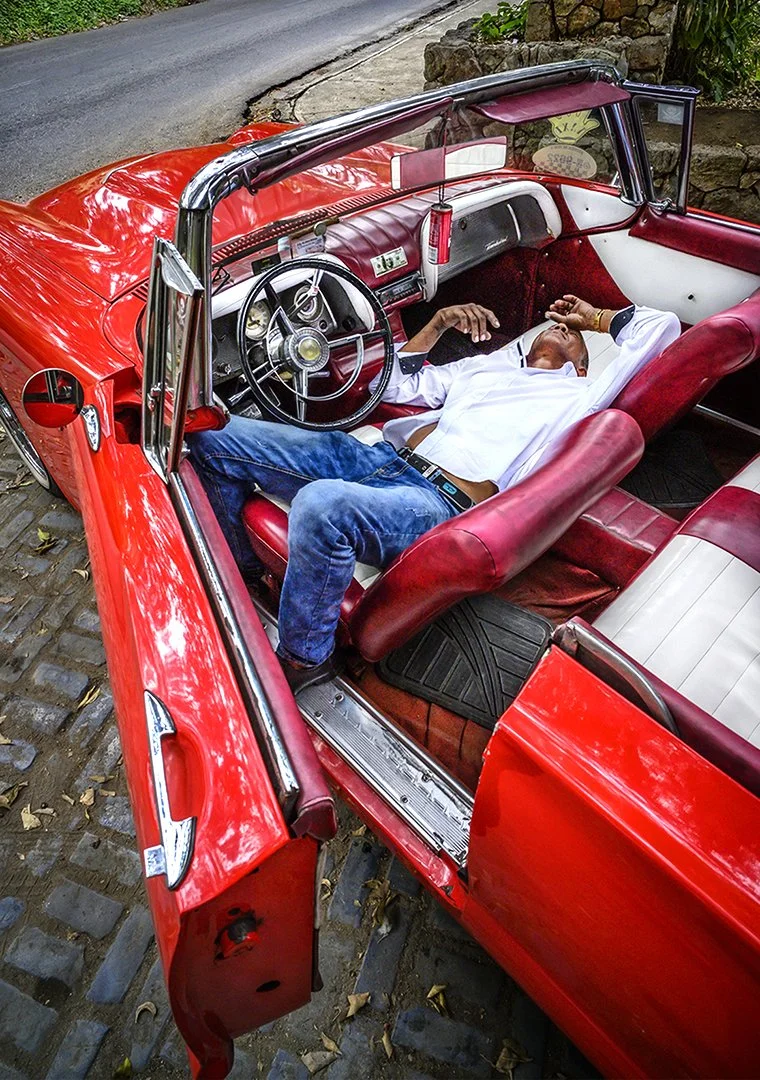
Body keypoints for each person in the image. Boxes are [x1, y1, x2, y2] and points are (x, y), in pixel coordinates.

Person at [189, 294, 680, 692]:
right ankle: (248, 573)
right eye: (555, 324)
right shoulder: (484, 369)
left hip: (435, 502)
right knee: (213, 437)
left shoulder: (584, 395)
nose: (561, 330)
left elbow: (661, 327)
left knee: (323, 506)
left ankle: (303, 661)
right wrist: (439, 322)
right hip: (378, 459)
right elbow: (394, 388)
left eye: (572, 334)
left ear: (584, 359)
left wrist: (592, 318)